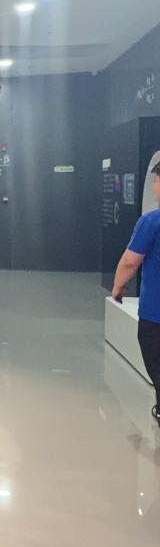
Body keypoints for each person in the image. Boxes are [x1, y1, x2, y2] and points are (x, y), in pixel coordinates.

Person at [111, 161, 160, 428]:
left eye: (155, 180)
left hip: (156, 313)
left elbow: (131, 261)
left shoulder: (151, 221)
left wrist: (118, 286)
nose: (154, 187)